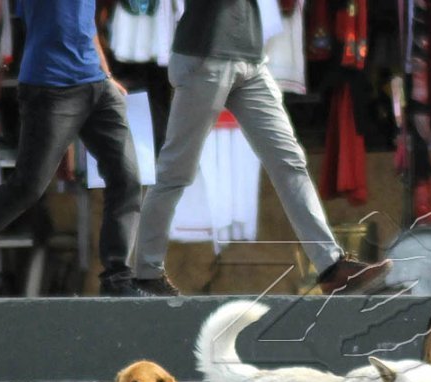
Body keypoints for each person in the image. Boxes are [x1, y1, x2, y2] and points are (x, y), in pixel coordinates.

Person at [131, 0, 390, 296]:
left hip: (250, 60)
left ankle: (331, 267)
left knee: (290, 161)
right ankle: (145, 274)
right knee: (176, 171)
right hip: (205, 57)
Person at [0, 0, 144, 296]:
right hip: (50, 87)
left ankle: (118, 279)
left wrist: (106, 73)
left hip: (96, 85)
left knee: (127, 179)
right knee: (27, 188)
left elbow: (86, 25)